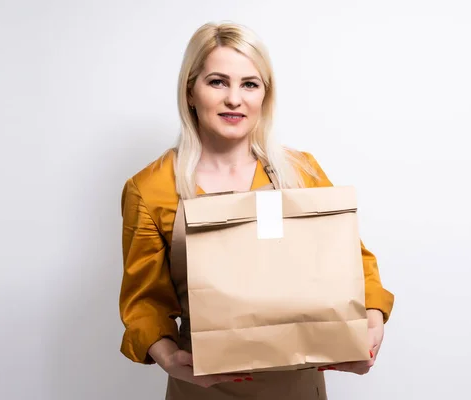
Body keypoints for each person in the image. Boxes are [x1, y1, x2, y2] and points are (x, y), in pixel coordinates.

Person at [118, 21, 394, 400]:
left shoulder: (302, 173)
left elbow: (356, 266)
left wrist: (372, 328)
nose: (235, 99)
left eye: (250, 84)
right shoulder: (150, 188)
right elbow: (144, 302)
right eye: (217, 82)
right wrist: (168, 358)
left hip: (297, 384)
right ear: (190, 91)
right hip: (201, 388)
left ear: (265, 95)